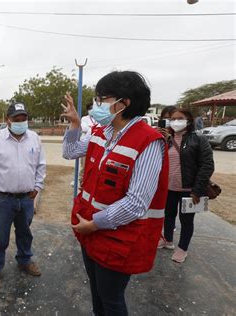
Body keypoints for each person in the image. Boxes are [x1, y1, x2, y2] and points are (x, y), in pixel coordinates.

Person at [61, 71, 169, 316]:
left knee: (111, 299)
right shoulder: (102, 133)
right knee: (97, 293)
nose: (96, 106)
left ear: (123, 103)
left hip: (117, 236)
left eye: (102, 99)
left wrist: (95, 224)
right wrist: (75, 125)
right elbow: (69, 152)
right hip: (89, 230)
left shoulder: (148, 141)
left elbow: (137, 203)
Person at [0, 102, 46, 287]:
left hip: (26, 198)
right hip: (2, 198)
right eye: (16, 119)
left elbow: (41, 165)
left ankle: (25, 260)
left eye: (23, 118)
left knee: (25, 232)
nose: (20, 122)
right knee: (0, 235)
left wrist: (38, 185)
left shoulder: (34, 138)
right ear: (7, 120)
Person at [157, 108, 214, 263]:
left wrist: (197, 190)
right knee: (168, 216)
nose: (175, 121)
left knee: (186, 220)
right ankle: (167, 240)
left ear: (189, 120)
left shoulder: (198, 139)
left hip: (189, 190)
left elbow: (207, 165)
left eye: (180, 118)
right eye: (172, 119)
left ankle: (182, 248)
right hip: (169, 188)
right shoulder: (167, 139)